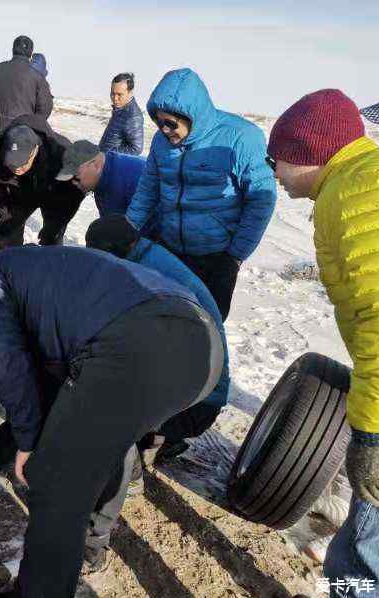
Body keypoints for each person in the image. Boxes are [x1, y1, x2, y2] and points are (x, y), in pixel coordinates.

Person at [0, 245, 224, 598]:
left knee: (56, 480)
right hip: (202, 355)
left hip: (144, 341)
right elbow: (53, 402)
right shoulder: (54, 285)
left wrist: (31, 444)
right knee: (97, 437)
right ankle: (91, 543)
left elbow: (4, 359)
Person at [267, 89, 379, 598]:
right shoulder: (360, 179)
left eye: (278, 159)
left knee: (364, 547)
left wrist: (373, 434)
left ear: (305, 154)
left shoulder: (356, 193)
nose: (274, 171)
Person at [125, 68, 277, 321]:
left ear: (192, 115)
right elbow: (147, 190)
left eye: (170, 123)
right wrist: (127, 229)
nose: (163, 130)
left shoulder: (241, 138)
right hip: (171, 250)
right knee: (162, 321)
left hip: (216, 258)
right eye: (158, 122)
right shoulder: (162, 143)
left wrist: (235, 256)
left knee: (205, 328)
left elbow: (261, 200)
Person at [86, 214, 230, 461]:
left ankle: (154, 441)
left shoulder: (148, 276)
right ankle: (156, 439)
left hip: (197, 404)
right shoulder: (146, 255)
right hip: (197, 389)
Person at [0, 115, 86, 249]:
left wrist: (58, 221)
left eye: (22, 164)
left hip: (53, 191)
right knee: (8, 228)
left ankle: (49, 264)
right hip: (19, 192)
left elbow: (75, 192)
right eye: (11, 165)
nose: (17, 168)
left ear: (35, 150)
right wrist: (2, 206)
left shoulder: (62, 154)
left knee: (52, 236)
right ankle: (5, 262)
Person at [0, 35, 53, 129]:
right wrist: (33, 125)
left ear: (13, 50)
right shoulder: (37, 77)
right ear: (31, 54)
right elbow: (45, 108)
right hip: (22, 132)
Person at [99, 72, 144, 156]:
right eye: (113, 94)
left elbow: (136, 149)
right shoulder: (119, 110)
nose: (115, 98)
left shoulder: (133, 116)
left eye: (119, 94)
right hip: (104, 161)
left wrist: (109, 154)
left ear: (130, 93)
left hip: (113, 163)